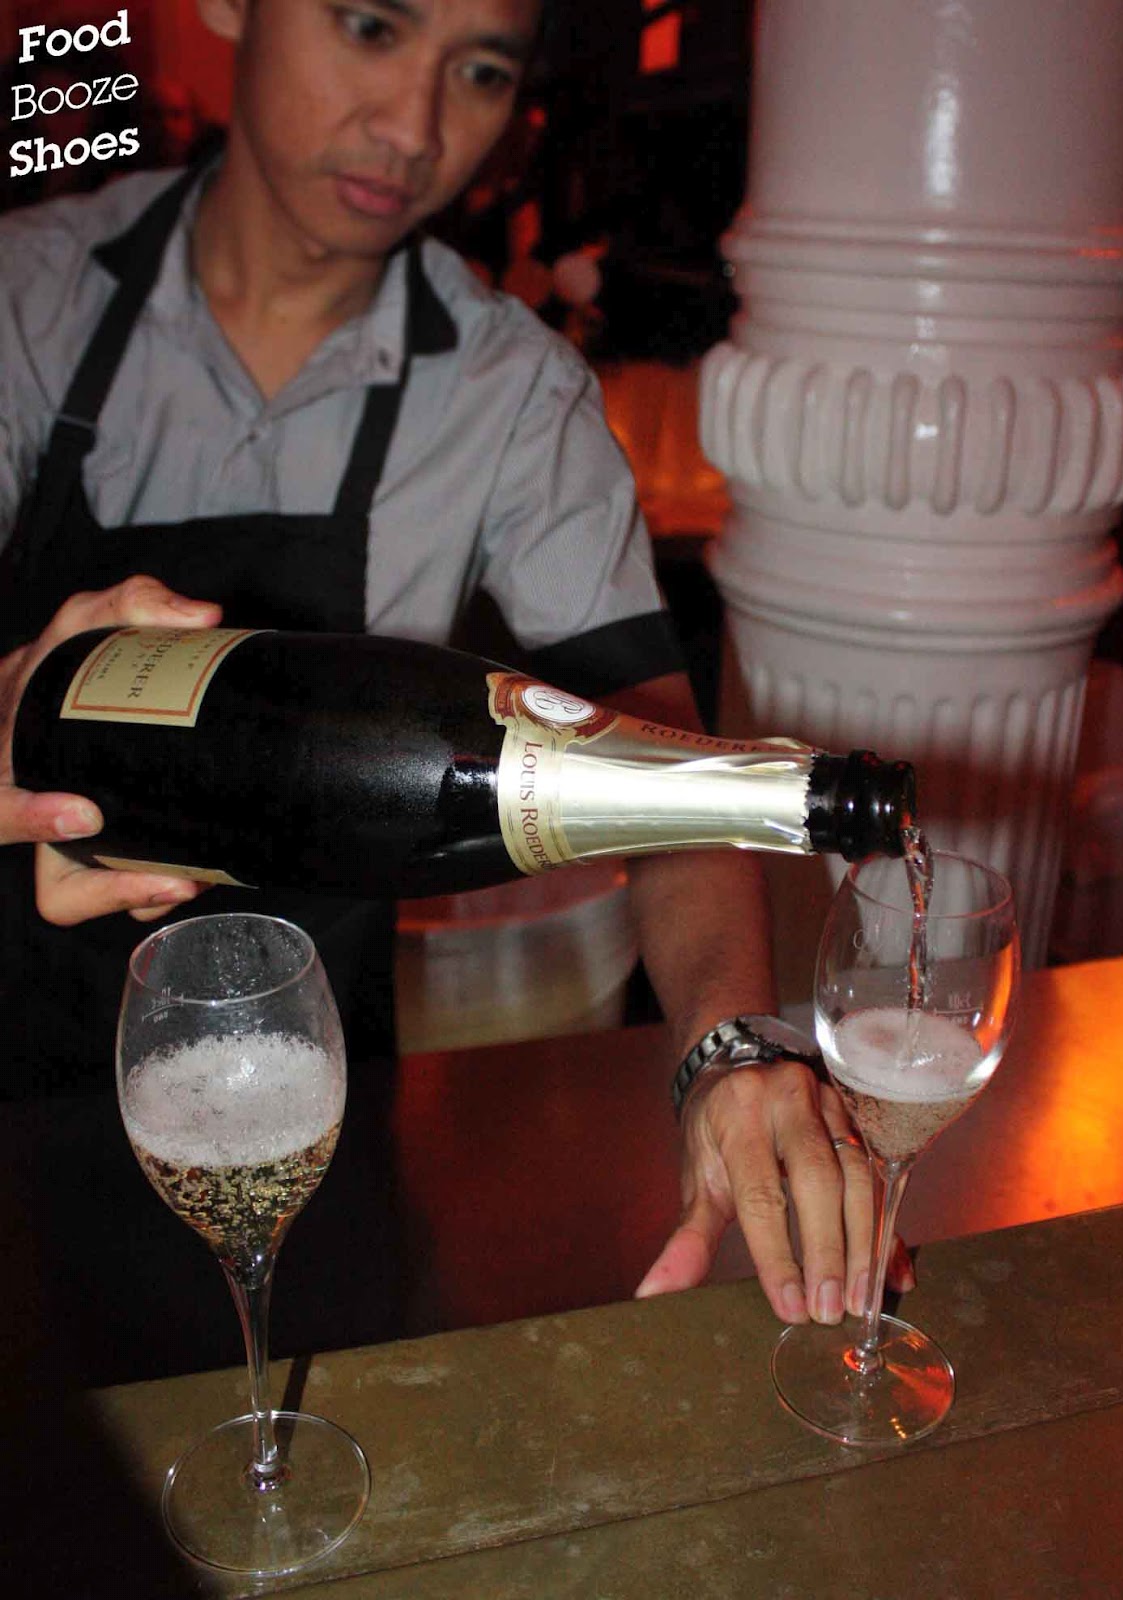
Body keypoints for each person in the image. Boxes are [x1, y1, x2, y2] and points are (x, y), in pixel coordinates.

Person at [0, 0, 911, 1331]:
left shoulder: (509, 393)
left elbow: (662, 762)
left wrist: (729, 1051)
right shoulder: (28, 297)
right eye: (372, 26)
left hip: (304, 1118)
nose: (416, 127)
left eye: (479, 71)